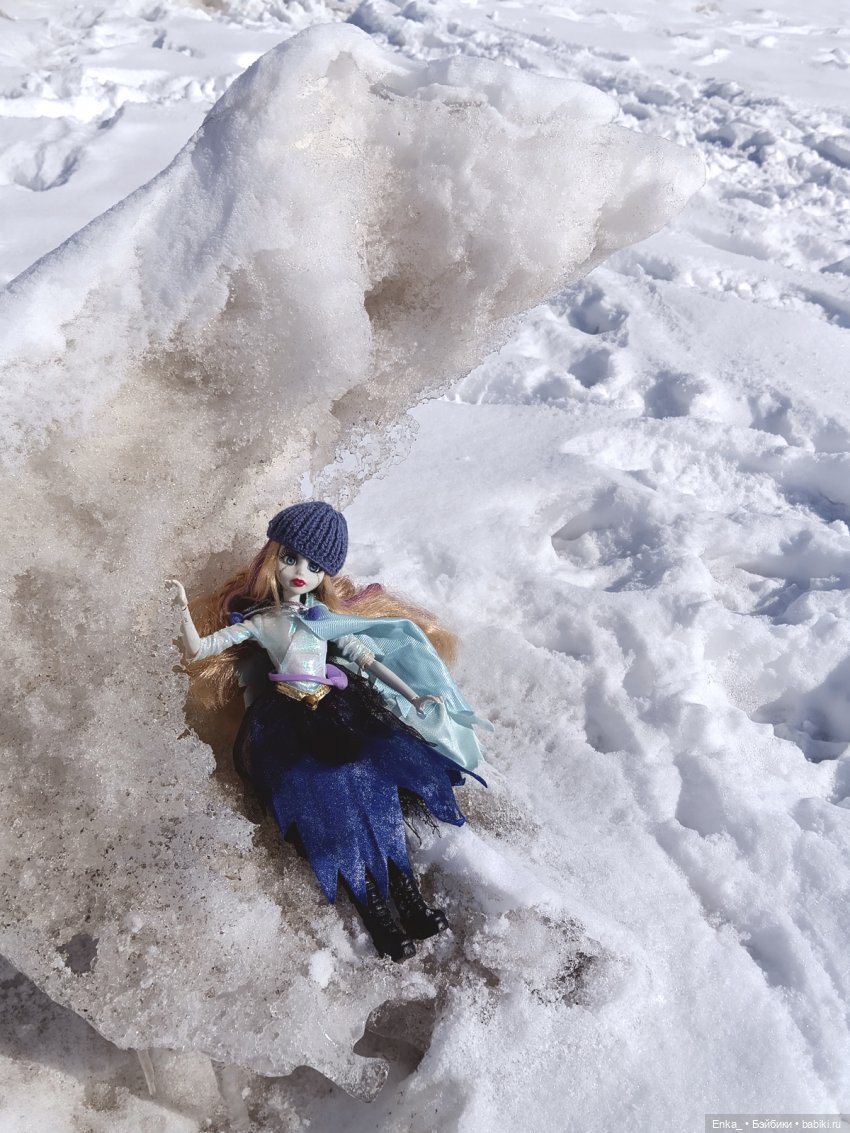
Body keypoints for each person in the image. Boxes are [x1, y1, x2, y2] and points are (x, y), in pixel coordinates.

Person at [167, 501, 489, 961]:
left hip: (340, 710)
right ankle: (380, 921)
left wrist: (415, 698)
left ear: (327, 575)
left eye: (315, 565)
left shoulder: (323, 620)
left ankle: (413, 903)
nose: (300, 571)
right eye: (290, 558)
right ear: (272, 556)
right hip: (285, 722)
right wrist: (182, 612)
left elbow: (364, 657)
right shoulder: (263, 622)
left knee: (377, 805)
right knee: (330, 820)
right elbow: (202, 650)